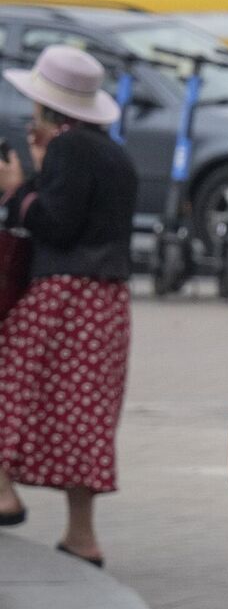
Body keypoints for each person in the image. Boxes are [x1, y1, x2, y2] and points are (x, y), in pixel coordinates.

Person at [0, 45, 138, 567]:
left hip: (64, 295)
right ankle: (82, 536)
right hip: (106, 300)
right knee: (85, 415)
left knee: (9, 377)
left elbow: (56, 224)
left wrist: (16, 191)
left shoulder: (69, 149)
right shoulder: (111, 151)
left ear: (46, 108)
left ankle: (4, 493)